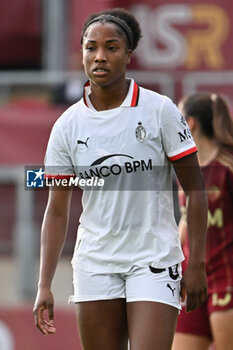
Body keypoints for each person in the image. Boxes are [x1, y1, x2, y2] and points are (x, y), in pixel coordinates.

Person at [33, 8, 208, 350]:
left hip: (153, 259)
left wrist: (196, 263)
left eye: (111, 47)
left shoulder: (160, 111)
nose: (100, 56)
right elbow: (56, 210)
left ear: (128, 56)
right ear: (82, 53)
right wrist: (44, 283)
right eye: (91, 47)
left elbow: (197, 192)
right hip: (95, 262)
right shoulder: (67, 125)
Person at [172, 93, 233, 350]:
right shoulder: (185, 171)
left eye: (177, 117)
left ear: (190, 123)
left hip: (227, 278)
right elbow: (186, 224)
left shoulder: (228, 167)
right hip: (194, 280)